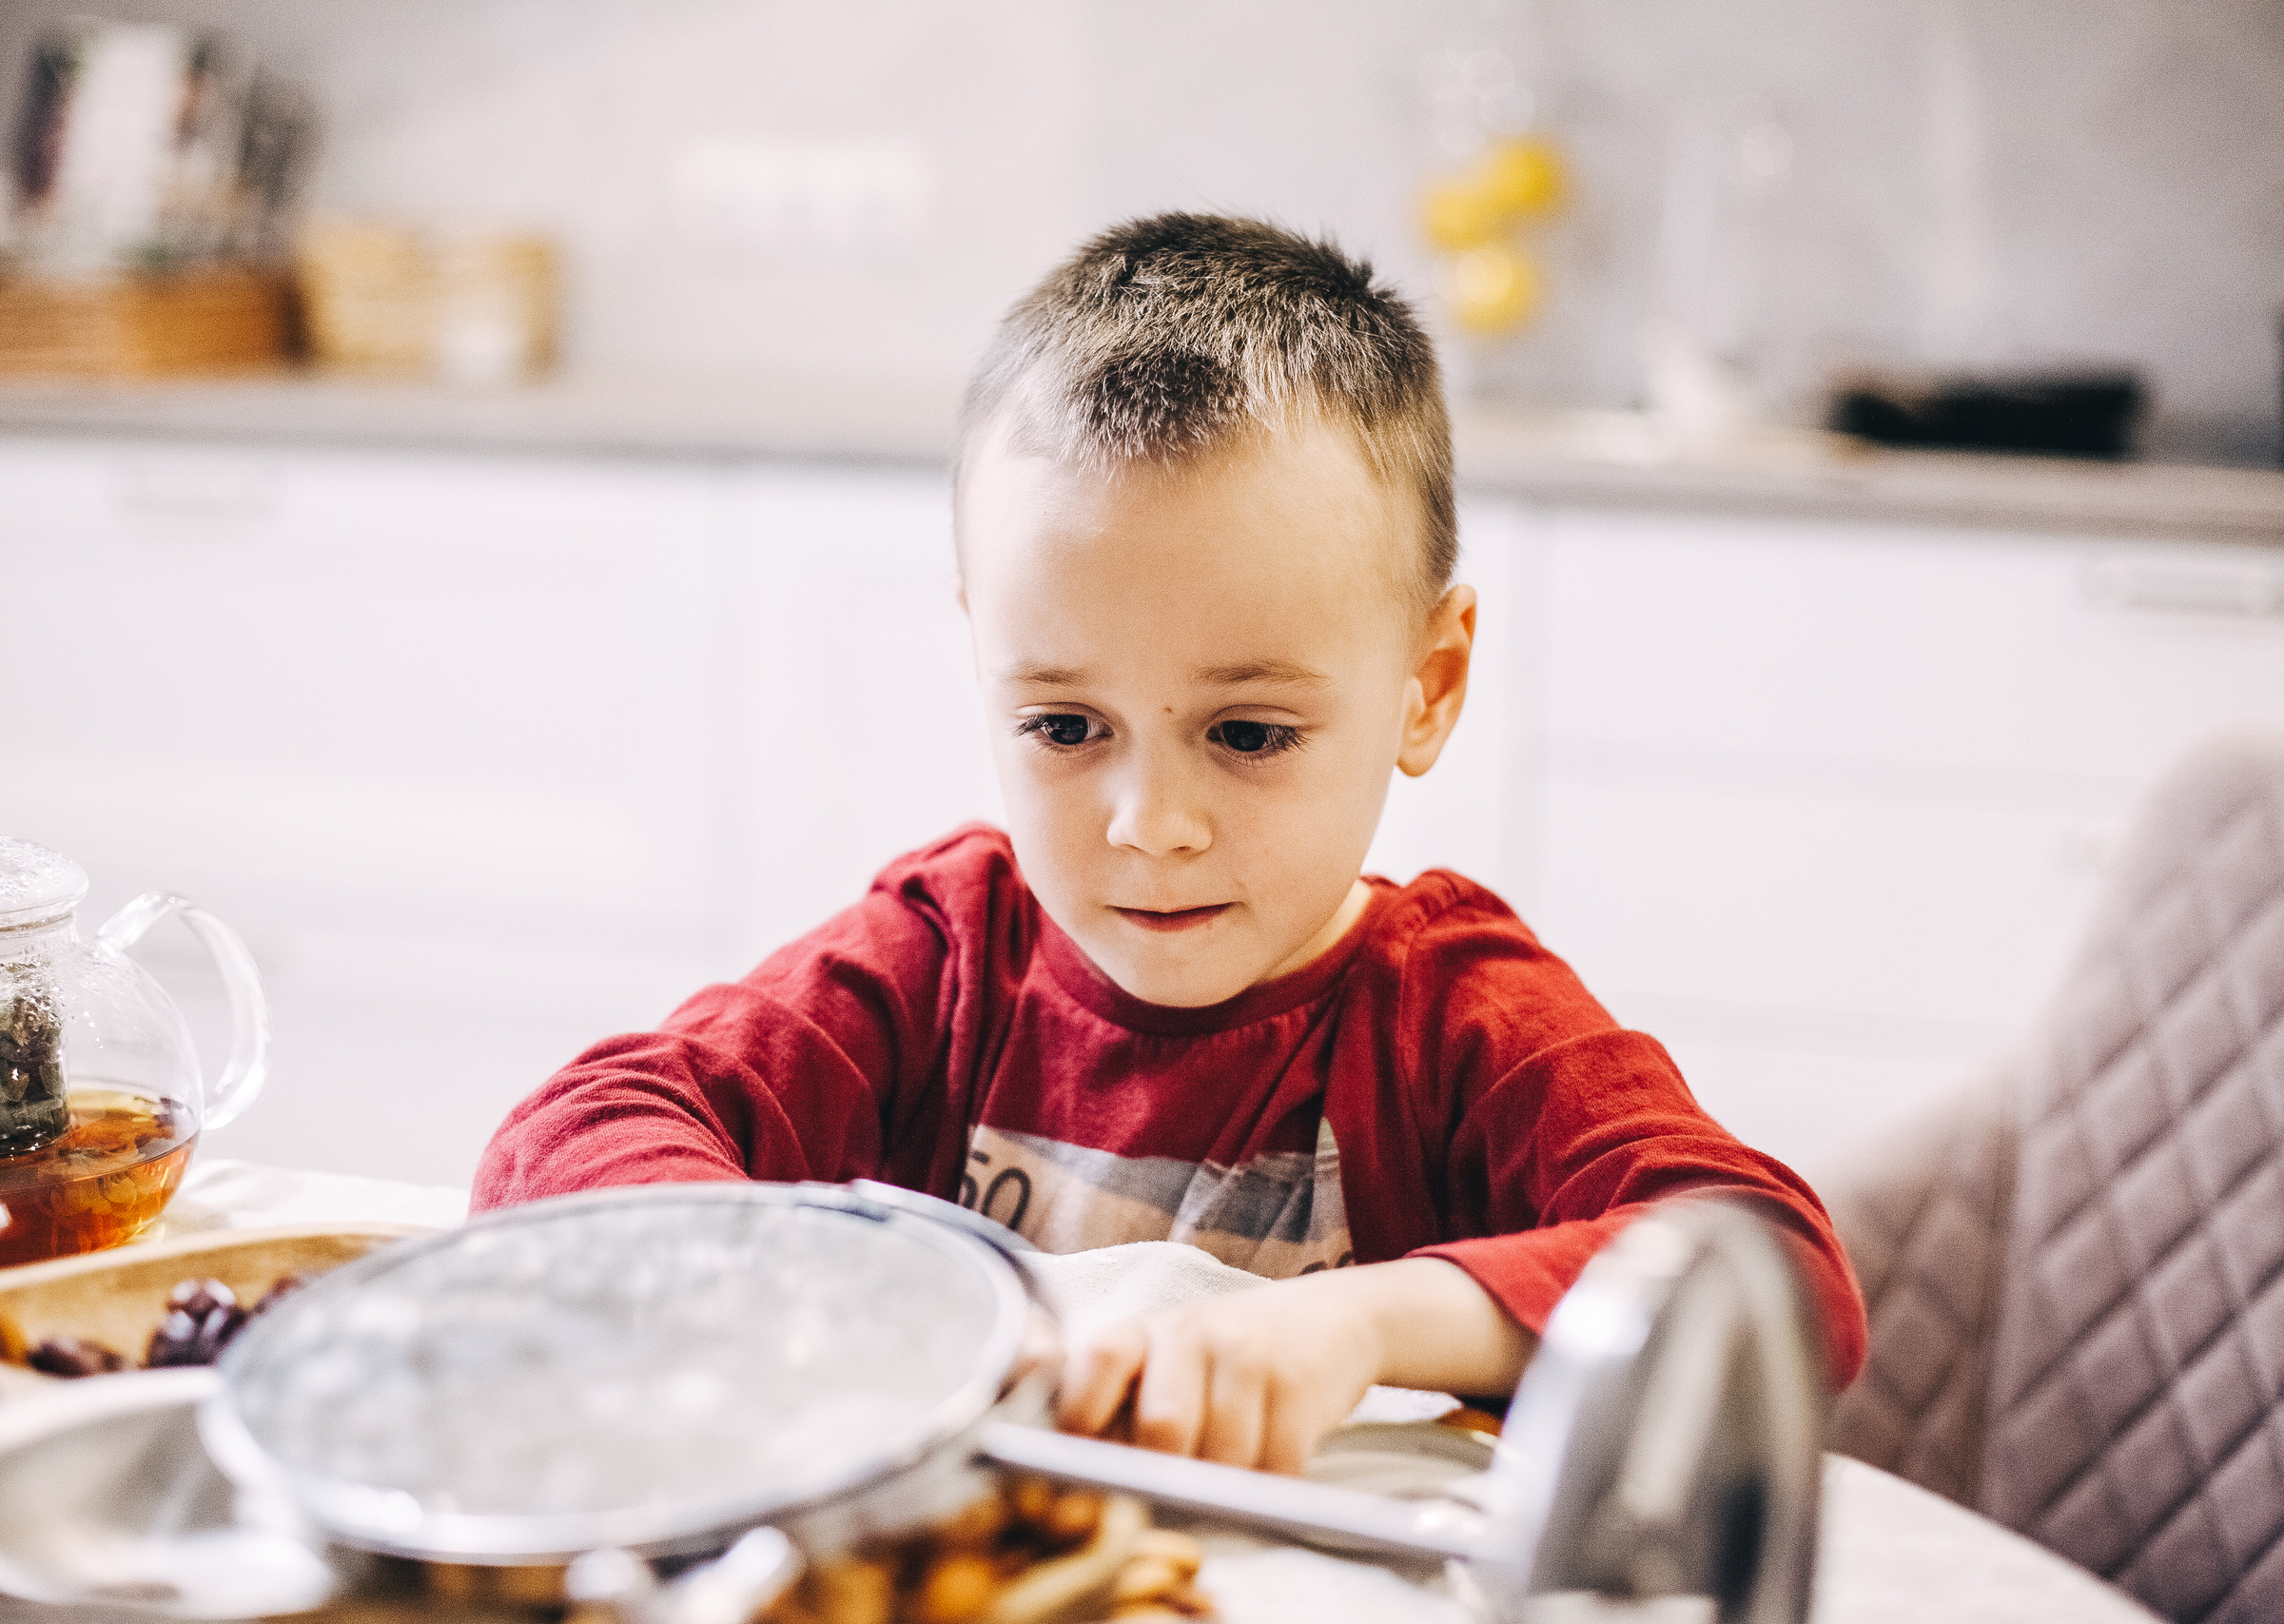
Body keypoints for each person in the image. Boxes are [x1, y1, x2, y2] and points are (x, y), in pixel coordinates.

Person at [473, 213, 1865, 1474]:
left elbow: (1771, 1274)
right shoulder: (942, 956)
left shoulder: (1454, 1019)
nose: (1152, 828)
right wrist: (799, 1293)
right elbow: (564, 1137)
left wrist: (1359, 1326)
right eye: (1066, 727)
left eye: (1249, 734)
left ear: (1426, 687)